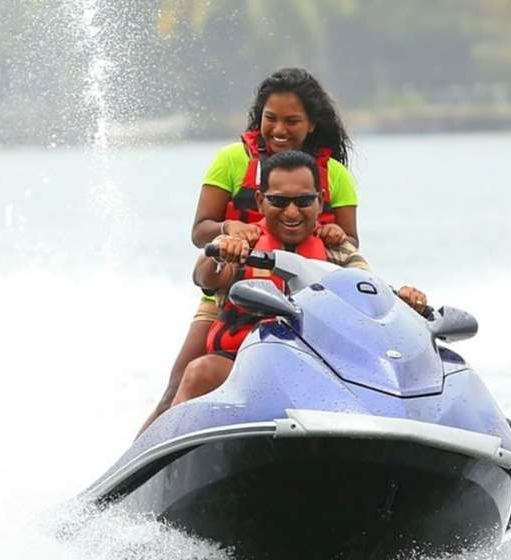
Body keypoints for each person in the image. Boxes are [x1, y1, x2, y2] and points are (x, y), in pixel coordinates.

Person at [138, 67, 358, 433]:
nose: (279, 130)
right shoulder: (230, 160)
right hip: (229, 291)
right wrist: (230, 230)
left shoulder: (334, 175)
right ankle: (134, 471)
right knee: (182, 380)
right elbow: (200, 231)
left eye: (292, 121)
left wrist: (333, 231)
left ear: (312, 125)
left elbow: (350, 249)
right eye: (271, 119)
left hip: (307, 301)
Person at [171, 150, 429, 406]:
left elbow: (369, 296)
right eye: (279, 202)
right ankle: (173, 441)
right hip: (242, 364)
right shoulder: (239, 244)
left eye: (304, 201)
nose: (292, 213)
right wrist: (220, 255)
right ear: (260, 201)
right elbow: (204, 277)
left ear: (319, 202)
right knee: (200, 372)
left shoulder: (337, 251)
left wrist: (406, 302)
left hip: (318, 370)